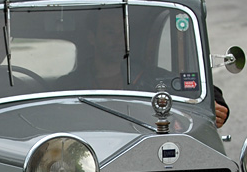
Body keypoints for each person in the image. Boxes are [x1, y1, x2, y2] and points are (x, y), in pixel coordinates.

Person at [69, 11, 230, 128]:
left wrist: (215, 105)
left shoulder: (149, 77)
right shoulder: (71, 84)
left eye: (122, 33)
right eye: (109, 32)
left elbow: (192, 87)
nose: (118, 40)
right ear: (92, 38)